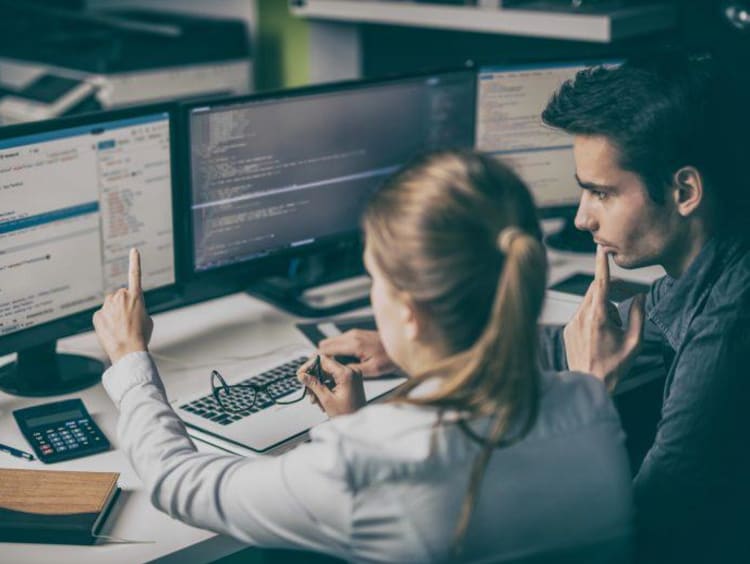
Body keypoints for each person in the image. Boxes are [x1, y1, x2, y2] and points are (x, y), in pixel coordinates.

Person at [93, 151, 633, 563]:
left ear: (411, 313)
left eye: (375, 278)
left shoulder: (365, 462)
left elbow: (177, 484)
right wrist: (355, 424)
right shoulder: (590, 400)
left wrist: (130, 358)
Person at [323, 54, 750, 562]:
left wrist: (590, 390)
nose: (581, 218)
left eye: (600, 193)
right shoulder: (707, 268)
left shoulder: (728, 325)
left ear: (684, 191)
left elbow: (644, 530)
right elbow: (576, 340)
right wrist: (420, 346)